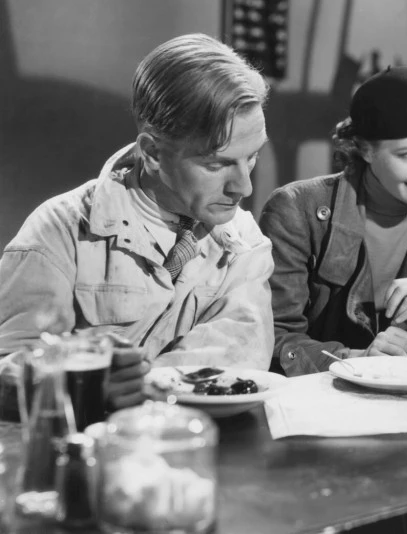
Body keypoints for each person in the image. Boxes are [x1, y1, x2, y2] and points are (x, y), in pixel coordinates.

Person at [0, 33, 274, 410]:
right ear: (153, 153)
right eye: (216, 164)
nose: (243, 186)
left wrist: (136, 387)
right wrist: (86, 384)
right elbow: (8, 369)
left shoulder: (243, 240)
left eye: (252, 157)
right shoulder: (61, 230)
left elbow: (238, 362)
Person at [259, 66, 407, 376]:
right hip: (325, 397)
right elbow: (274, 338)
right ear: (366, 149)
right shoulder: (296, 210)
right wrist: (357, 359)